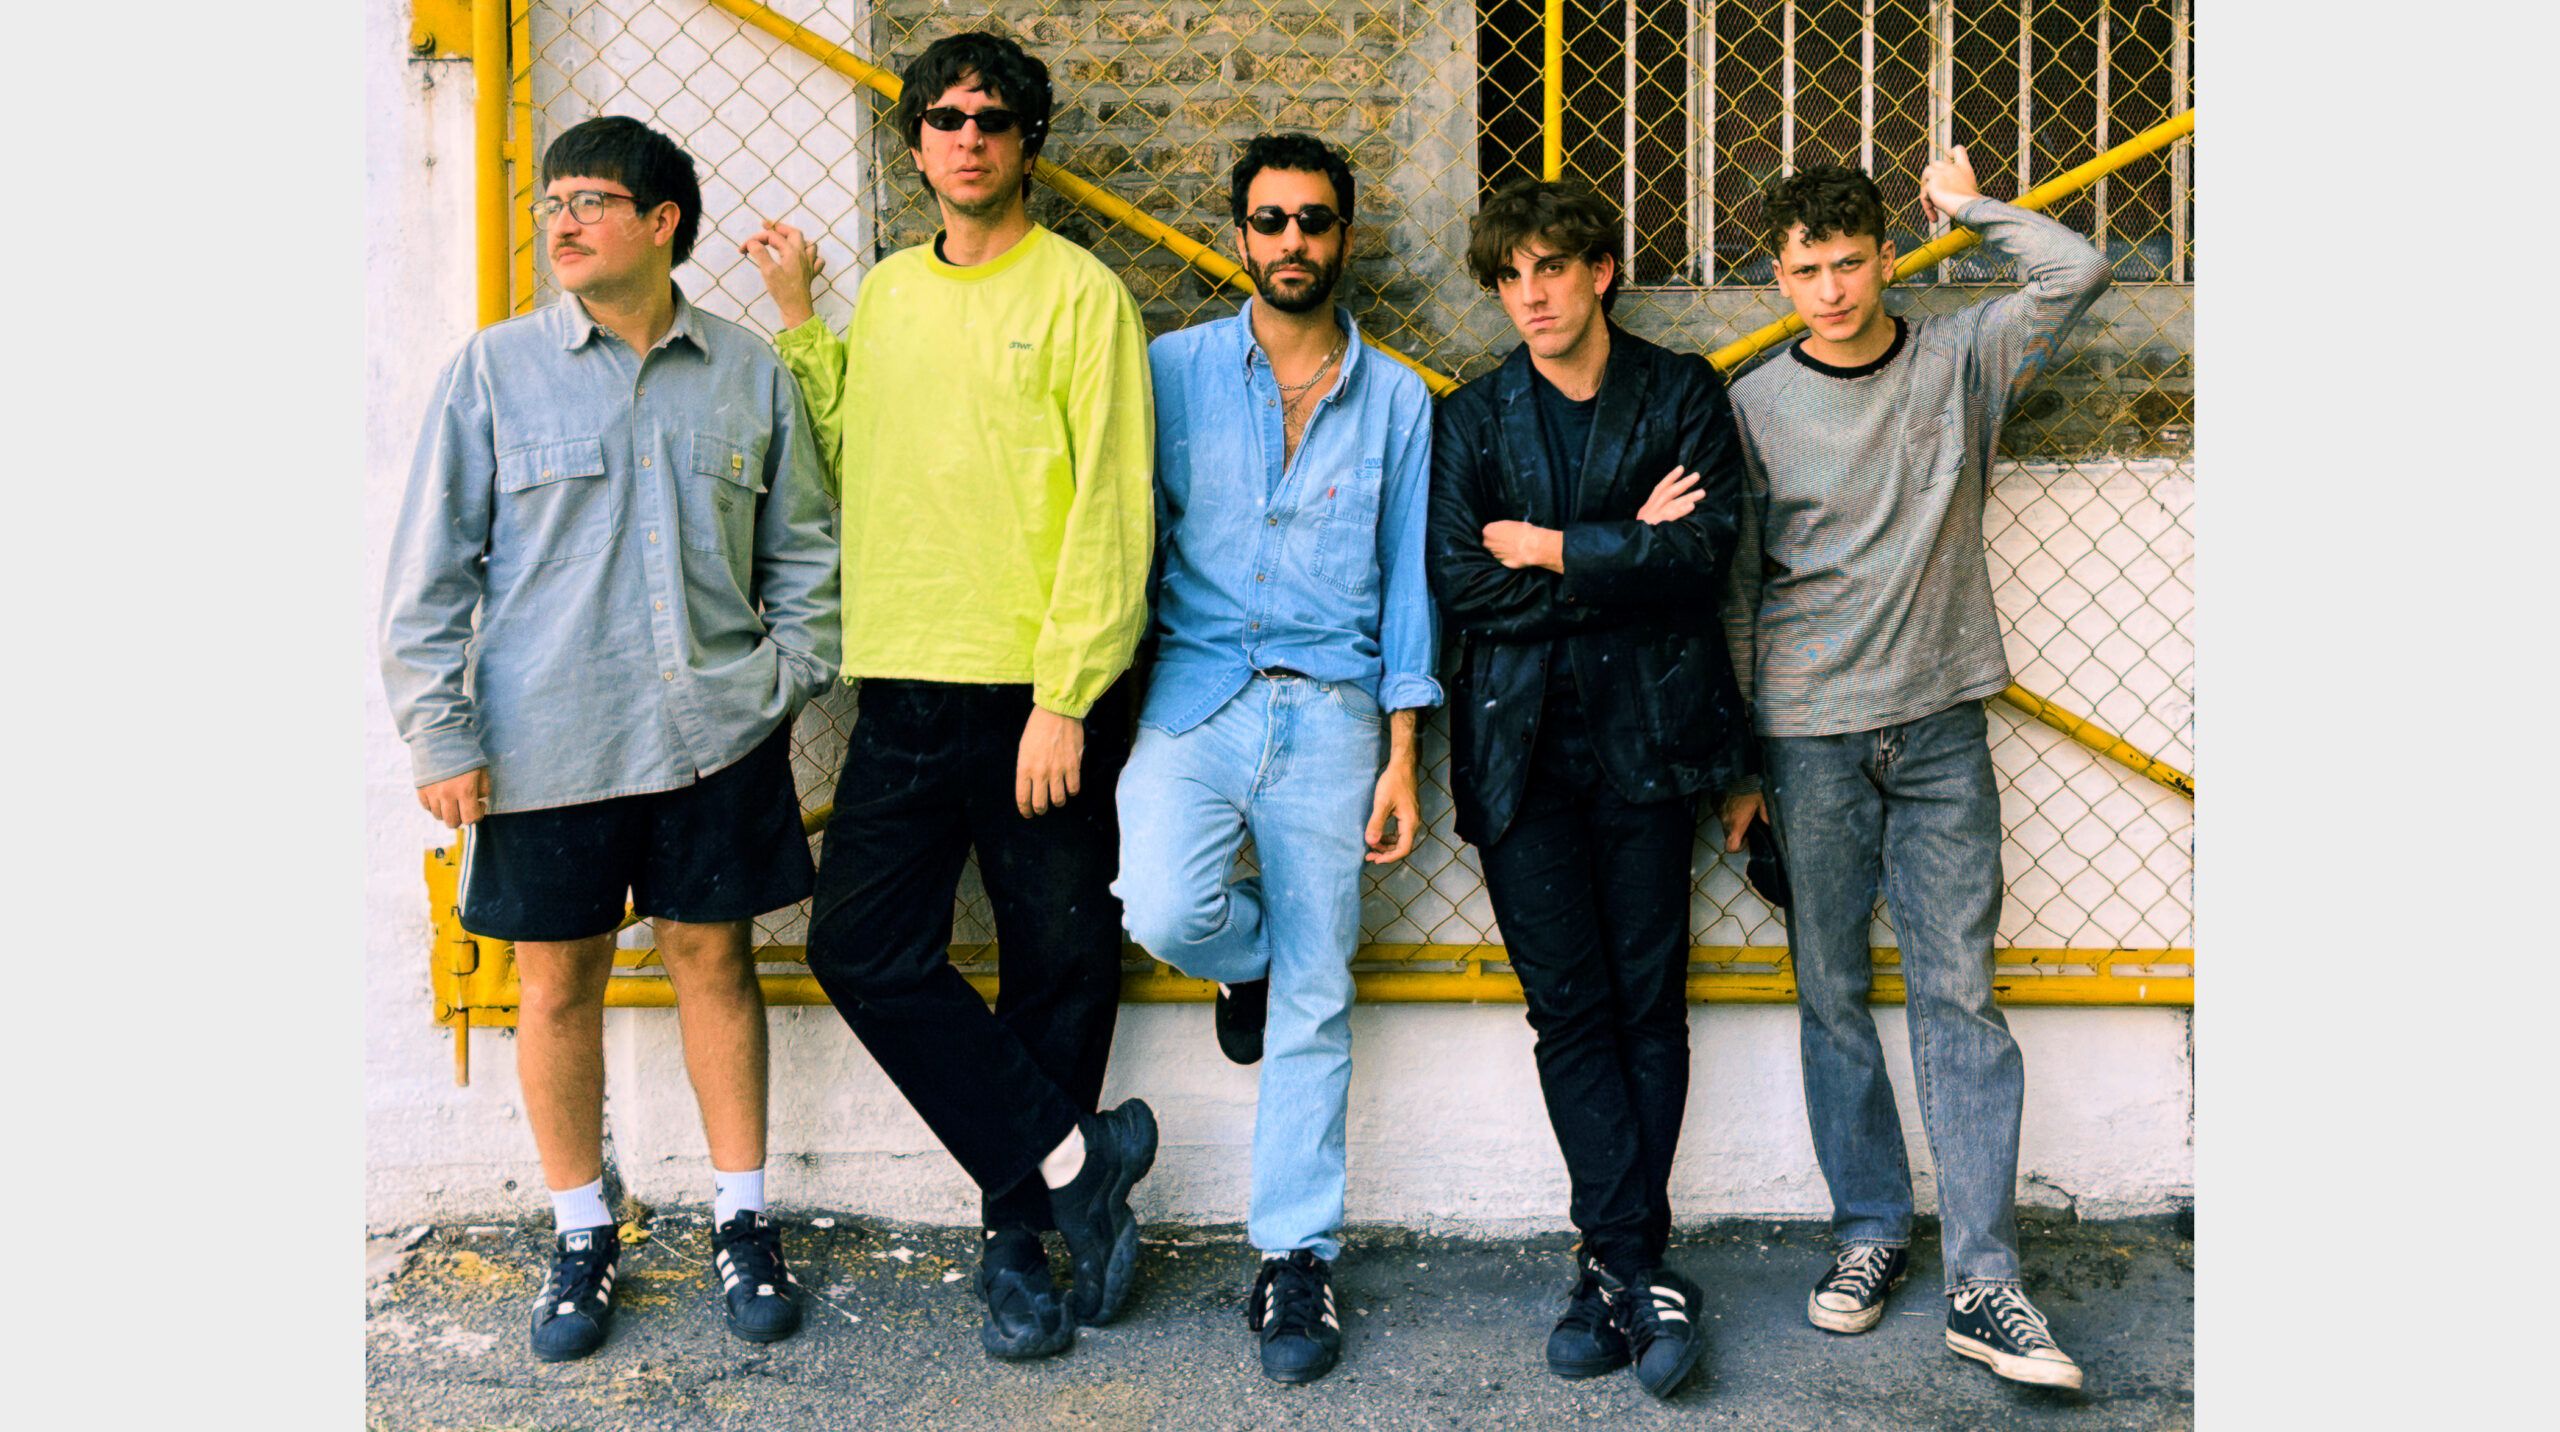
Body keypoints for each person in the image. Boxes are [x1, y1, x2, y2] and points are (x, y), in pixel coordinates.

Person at [380, 116, 841, 1362]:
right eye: (551, 203)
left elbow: (806, 554)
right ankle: (581, 1230)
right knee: (556, 981)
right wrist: (439, 733)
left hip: (713, 738)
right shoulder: (494, 372)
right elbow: (430, 576)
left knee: (715, 963)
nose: (562, 223)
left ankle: (743, 1219)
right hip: (546, 741)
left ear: (661, 221)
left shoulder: (748, 373)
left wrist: (784, 679)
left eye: (589, 200)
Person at [740, 31, 1158, 1363]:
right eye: (945, 118)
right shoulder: (889, 295)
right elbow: (859, 452)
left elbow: (1113, 508)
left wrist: (1067, 694)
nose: (968, 137)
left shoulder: (1084, 295)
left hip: (1037, 692)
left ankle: (1016, 1250)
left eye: (992, 119)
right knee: (860, 947)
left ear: (1027, 143)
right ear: (916, 143)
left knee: (1057, 965)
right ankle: (1076, 1159)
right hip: (907, 683)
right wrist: (802, 322)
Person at [1726, 151, 2109, 1391]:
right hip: (1807, 736)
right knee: (1831, 991)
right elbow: (1737, 588)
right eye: (1806, 270)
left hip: (1941, 723)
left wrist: (1971, 210)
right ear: (1777, 277)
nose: (1832, 289)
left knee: (1960, 997)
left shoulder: (1959, 361)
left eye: (1851, 262)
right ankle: (1869, 1232)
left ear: (1888, 257)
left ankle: (1986, 1281)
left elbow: (2076, 269)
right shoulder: (1752, 405)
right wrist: (1740, 765)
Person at [1110, 133, 1438, 1385]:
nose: (1290, 241)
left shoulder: (1398, 398)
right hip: (1194, 694)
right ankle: (1242, 962)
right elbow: (1120, 532)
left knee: (1317, 992)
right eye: (1269, 220)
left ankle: (1294, 1256)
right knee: (1161, 904)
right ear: (1239, 234)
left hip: (1336, 710)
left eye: (1312, 220)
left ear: (1343, 236)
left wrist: (1402, 751)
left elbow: (1406, 582)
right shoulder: (1172, 370)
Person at [1427, 178, 1761, 1401]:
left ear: (1600, 270)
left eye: (1551, 268)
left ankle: (1614, 1265)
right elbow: (1464, 584)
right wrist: (1624, 552)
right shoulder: (1473, 417)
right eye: (1509, 276)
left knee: (1646, 1004)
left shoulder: (1679, 393)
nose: (1531, 295)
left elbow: (1703, 553)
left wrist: (1552, 546)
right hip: (1519, 752)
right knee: (1567, 1008)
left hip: (1649, 741)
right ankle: (1632, 1265)